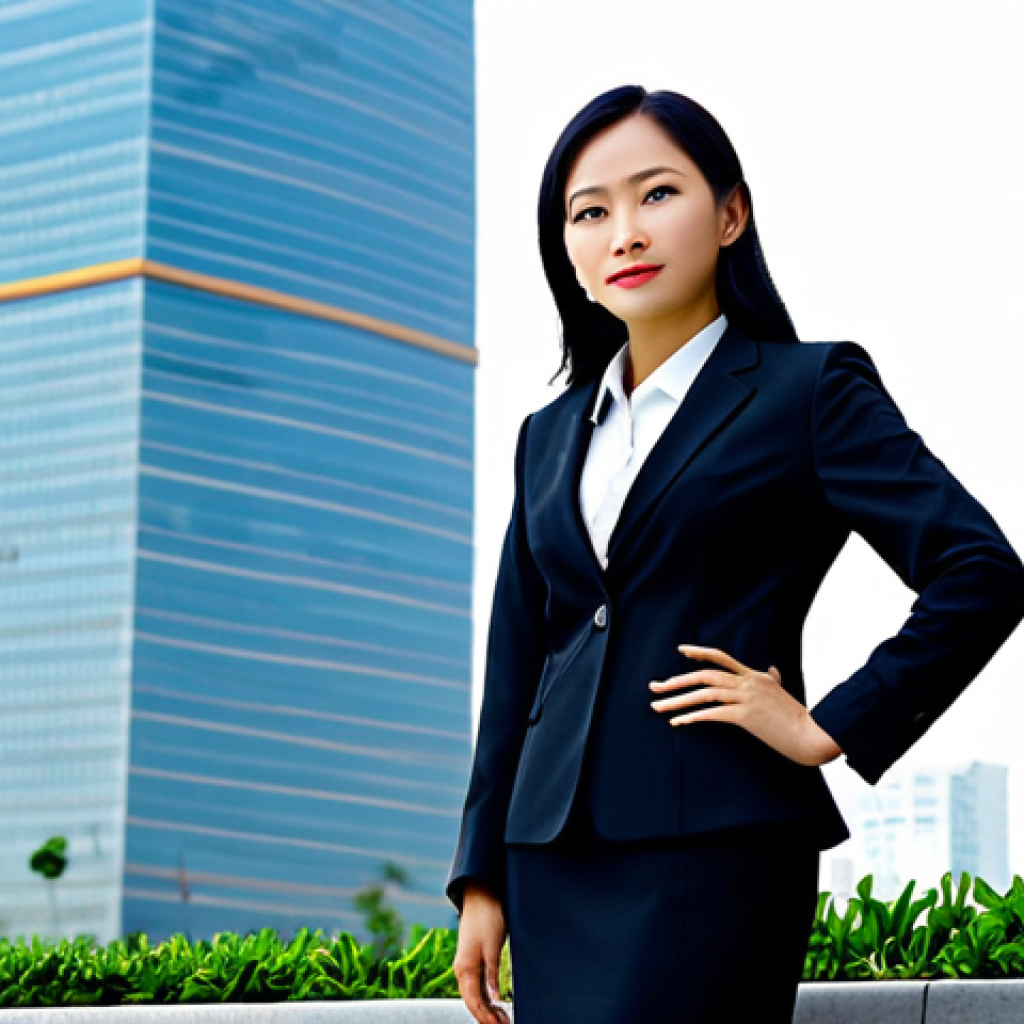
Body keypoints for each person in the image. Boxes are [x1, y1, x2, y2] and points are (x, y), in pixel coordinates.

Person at [446, 85, 1024, 1024]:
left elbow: (981, 571)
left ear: (730, 214)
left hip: (714, 842)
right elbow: (516, 667)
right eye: (589, 212)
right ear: (570, 252)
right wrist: (480, 876)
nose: (623, 232)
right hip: (550, 856)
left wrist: (827, 723)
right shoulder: (545, 435)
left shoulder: (809, 390)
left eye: (657, 195)